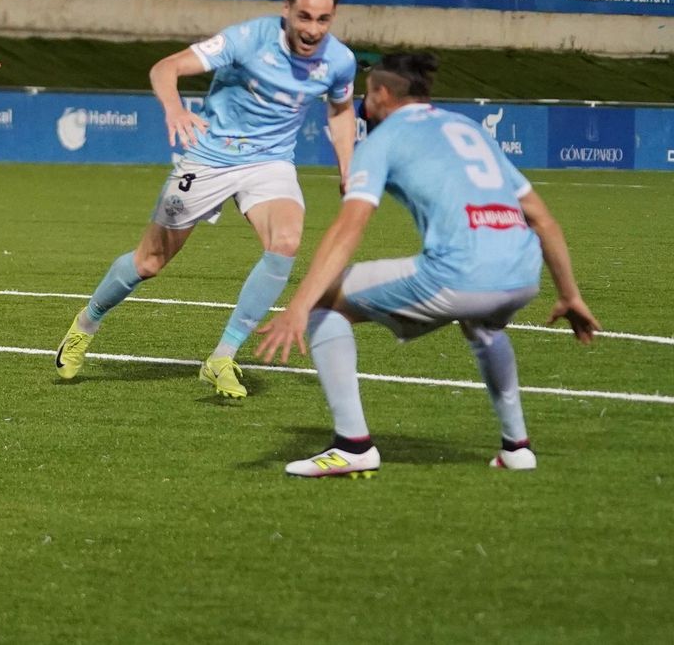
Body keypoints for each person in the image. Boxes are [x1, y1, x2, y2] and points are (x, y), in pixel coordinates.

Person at [256, 52, 600, 477]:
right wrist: (569, 295)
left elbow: (348, 228)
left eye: (368, 94)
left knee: (325, 301)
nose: (365, 104)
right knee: (484, 325)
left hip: (459, 276)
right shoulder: (468, 128)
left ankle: (352, 446)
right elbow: (541, 218)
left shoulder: (382, 140)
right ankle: (517, 448)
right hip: (522, 275)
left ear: (382, 94)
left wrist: (298, 305)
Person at [54, 0, 359, 396]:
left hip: (270, 163)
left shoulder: (339, 61)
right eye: (304, 16)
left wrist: (348, 167)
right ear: (286, 9)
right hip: (210, 157)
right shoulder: (246, 39)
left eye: (323, 19)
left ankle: (221, 357)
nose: (313, 29)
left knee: (286, 241)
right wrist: (175, 109)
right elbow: (166, 68)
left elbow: (341, 111)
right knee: (149, 262)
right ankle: (85, 324)